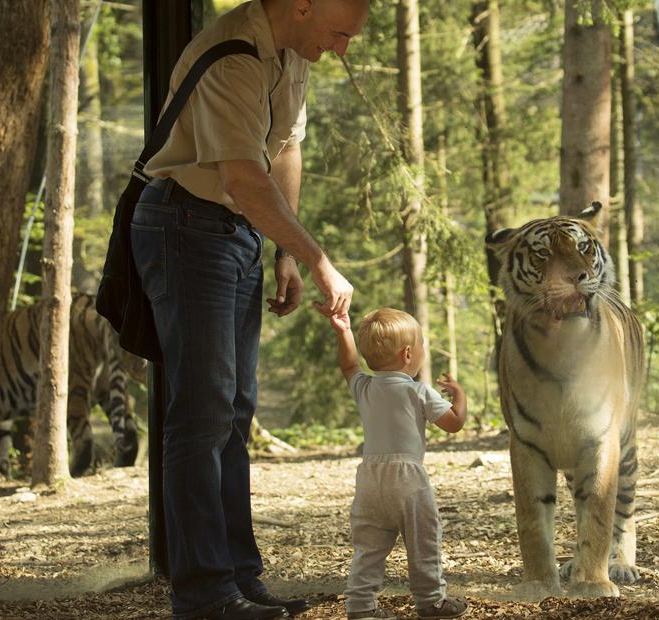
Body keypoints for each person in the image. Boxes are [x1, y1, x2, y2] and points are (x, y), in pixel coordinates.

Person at [130, 1, 367, 618]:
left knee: (233, 413)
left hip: (235, 234)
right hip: (185, 225)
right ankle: (206, 595)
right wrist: (317, 259)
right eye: (340, 32)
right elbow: (242, 176)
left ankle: (239, 580)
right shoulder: (233, 55)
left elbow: (283, 151)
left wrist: (285, 253)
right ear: (302, 5)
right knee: (203, 414)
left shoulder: (294, 51)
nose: (343, 48)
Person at [323, 307, 469, 620]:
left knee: (369, 547)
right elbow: (454, 424)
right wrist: (459, 396)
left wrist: (343, 330)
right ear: (407, 354)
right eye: (422, 346)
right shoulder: (419, 391)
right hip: (408, 479)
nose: (423, 351)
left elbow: (349, 365)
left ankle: (360, 606)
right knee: (424, 542)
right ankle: (430, 600)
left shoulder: (364, 387)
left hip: (370, 479)